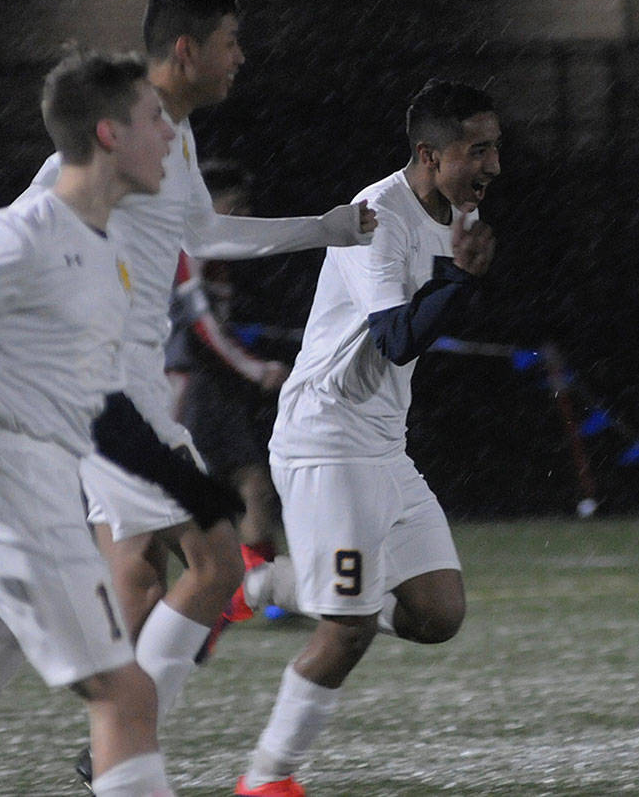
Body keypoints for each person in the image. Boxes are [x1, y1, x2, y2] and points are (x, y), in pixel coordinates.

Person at [18, 0, 376, 766]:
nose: (240, 58)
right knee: (215, 562)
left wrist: (324, 228)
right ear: (186, 51)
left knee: (141, 576)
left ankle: (104, 729)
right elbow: (33, 211)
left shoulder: (172, 133)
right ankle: (122, 739)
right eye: (229, 44)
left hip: (125, 384)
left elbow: (205, 235)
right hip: (109, 389)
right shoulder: (119, 123)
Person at [0, 51, 241, 797]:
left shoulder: (104, 253)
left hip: (39, 497)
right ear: (109, 135)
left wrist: (187, 486)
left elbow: (99, 408)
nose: (170, 139)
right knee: (128, 697)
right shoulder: (20, 234)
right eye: (153, 123)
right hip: (6, 496)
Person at [232, 79, 499, 797]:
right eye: (478, 150)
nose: (493, 166)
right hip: (326, 441)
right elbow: (397, 336)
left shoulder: (450, 213)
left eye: (494, 148)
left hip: (381, 445)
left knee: (437, 614)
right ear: (428, 154)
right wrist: (462, 281)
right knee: (346, 632)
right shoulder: (376, 215)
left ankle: (265, 581)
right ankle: (266, 778)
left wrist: (456, 277)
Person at [163, 160, 293, 656]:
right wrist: (256, 370)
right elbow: (202, 330)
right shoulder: (189, 249)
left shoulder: (212, 255)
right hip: (188, 389)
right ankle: (210, 608)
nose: (243, 215)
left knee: (253, 488)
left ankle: (248, 600)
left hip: (210, 389)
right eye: (234, 207)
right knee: (185, 513)